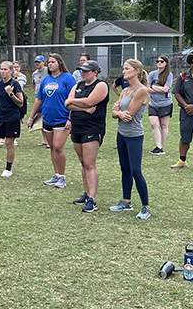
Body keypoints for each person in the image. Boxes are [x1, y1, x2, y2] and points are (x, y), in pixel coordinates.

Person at [65, 60, 110, 213]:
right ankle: (86, 193)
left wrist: (75, 102)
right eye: (82, 71)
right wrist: (83, 108)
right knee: (83, 163)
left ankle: (93, 199)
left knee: (90, 164)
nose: (83, 73)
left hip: (93, 128)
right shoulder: (78, 85)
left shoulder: (101, 85)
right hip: (77, 127)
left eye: (87, 71)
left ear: (95, 72)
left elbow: (91, 101)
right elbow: (67, 104)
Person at [27, 53, 77, 188]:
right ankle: (56, 174)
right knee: (52, 148)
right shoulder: (46, 79)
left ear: (60, 63)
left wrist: (70, 118)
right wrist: (31, 117)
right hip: (47, 118)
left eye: (53, 62)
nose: (50, 64)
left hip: (62, 117)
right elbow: (39, 99)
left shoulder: (68, 78)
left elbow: (73, 99)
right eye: (49, 62)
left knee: (58, 147)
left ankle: (62, 177)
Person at [110, 60, 151, 219]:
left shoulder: (141, 91)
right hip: (121, 135)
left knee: (136, 171)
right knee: (125, 168)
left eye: (126, 69)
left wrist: (119, 112)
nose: (123, 71)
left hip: (134, 136)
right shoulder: (124, 90)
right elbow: (115, 114)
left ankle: (145, 207)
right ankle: (126, 201)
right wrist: (119, 112)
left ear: (136, 71)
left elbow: (128, 115)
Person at [147, 56, 173, 155]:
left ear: (166, 63)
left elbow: (166, 89)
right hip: (153, 103)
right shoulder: (152, 74)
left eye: (161, 61)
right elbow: (147, 88)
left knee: (164, 125)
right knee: (153, 124)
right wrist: (157, 88)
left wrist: (153, 87)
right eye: (157, 61)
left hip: (165, 103)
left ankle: (160, 147)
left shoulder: (168, 75)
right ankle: (158, 146)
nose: (159, 63)